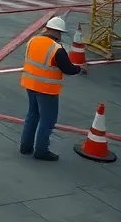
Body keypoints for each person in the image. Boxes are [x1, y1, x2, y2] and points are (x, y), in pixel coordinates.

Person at [19, 16, 86, 161]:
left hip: (30, 84)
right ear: (56, 32)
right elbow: (67, 68)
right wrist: (79, 69)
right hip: (47, 89)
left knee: (32, 115)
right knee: (47, 120)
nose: (60, 36)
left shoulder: (33, 40)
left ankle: (25, 146)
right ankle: (41, 150)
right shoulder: (56, 49)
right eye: (60, 33)